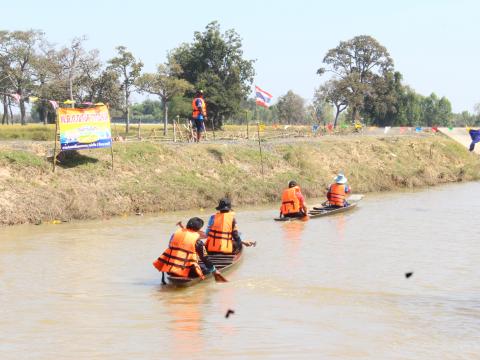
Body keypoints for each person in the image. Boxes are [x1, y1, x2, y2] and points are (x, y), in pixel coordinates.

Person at [153, 217, 220, 279]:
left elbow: (170, 248)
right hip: (187, 271)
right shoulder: (198, 242)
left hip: (170, 270)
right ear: (199, 229)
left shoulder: (175, 235)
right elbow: (205, 259)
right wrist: (214, 270)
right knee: (207, 269)